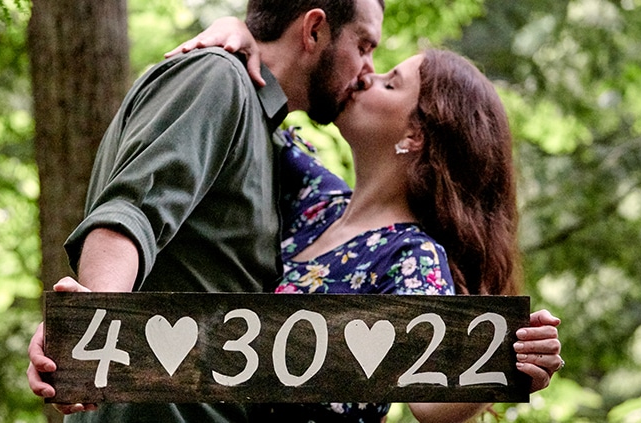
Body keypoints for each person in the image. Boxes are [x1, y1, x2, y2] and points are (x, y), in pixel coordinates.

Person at [28, 1, 385, 422]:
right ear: (314, 30)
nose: (369, 68)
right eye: (363, 45)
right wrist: (88, 336)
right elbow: (130, 213)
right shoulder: (218, 78)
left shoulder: (267, 132)